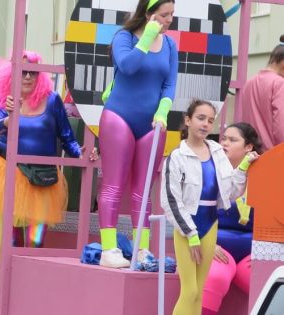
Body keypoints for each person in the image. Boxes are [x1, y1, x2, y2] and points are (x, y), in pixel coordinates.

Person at [0, 51, 90, 269]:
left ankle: (27, 285)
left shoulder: (53, 100)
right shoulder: (5, 98)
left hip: (41, 180)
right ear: (13, 75)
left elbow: (67, 137)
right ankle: (10, 286)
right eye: (23, 72)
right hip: (6, 175)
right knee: (9, 241)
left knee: (34, 242)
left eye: (33, 72)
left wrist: (82, 155)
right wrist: (12, 116)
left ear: (40, 76)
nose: (28, 77)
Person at [97, 0, 177, 268]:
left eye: (171, 15)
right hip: (118, 117)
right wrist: (148, 36)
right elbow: (128, 66)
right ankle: (109, 249)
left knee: (143, 192)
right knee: (113, 184)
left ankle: (142, 249)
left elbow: (169, 83)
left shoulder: (170, 45)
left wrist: (163, 110)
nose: (169, 20)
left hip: (152, 125)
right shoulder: (124, 37)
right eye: (164, 15)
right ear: (148, 14)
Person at [160, 100, 258, 315]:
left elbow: (230, 193)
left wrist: (242, 168)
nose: (205, 124)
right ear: (188, 120)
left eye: (211, 121)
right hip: (188, 227)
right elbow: (171, 201)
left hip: (210, 224)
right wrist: (191, 234)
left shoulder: (216, 152)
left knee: (198, 292)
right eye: (201, 118)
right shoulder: (176, 157)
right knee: (190, 290)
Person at [201, 122, 263, 314]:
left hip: (253, 253)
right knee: (215, 278)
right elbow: (195, 214)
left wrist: (267, 253)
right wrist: (207, 244)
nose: (225, 143)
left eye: (232, 140)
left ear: (249, 147)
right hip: (217, 249)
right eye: (224, 139)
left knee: (268, 283)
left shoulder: (264, 175)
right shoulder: (211, 171)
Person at [239, 35, 284, 152]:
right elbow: (281, 127)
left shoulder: (249, 83)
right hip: (272, 156)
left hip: (251, 153)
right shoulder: (280, 83)